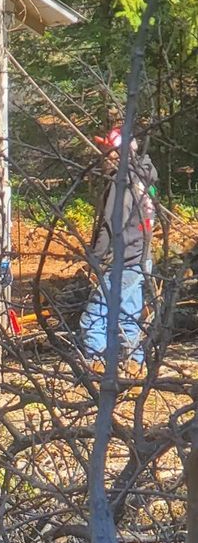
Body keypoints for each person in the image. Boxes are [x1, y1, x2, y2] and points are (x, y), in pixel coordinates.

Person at [79, 124, 158, 372]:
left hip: (124, 259)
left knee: (95, 313)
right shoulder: (144, 177)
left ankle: (96, 361)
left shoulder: (121, 181)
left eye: (109, 151)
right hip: (141, 256)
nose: (104, 155)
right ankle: (134, 364)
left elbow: (111, 225)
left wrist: (96, 258)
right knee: (130, 314)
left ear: (121, 153)